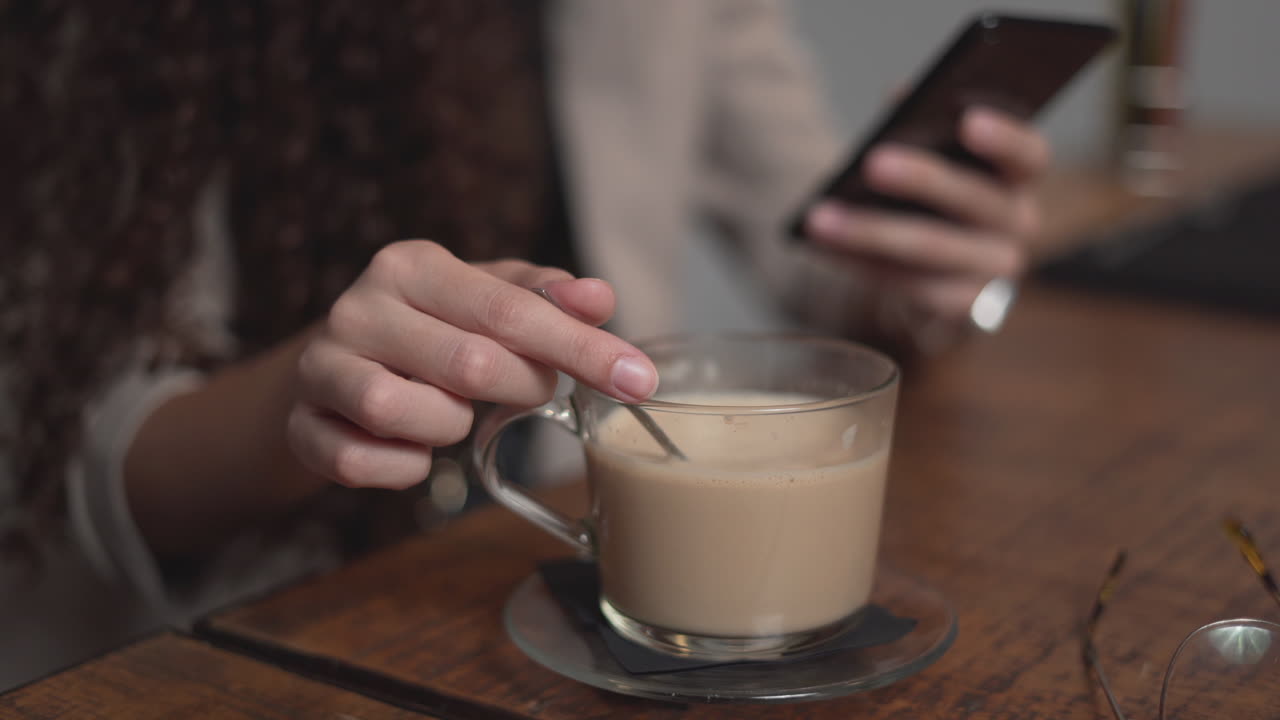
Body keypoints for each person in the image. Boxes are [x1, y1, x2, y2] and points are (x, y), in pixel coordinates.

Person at [0, 0, 1047, 688]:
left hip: (546, 604)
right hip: (278, 639)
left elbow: (822, 261)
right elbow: (90, 465)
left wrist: (933, 253)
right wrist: (305, 404)